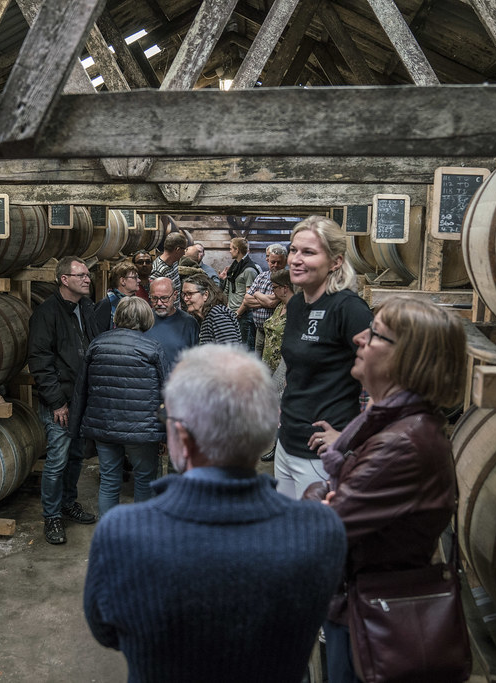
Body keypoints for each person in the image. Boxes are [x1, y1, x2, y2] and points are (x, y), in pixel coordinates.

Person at [83, 345, 347, 683]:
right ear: (270, 427)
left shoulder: (122, 531)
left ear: (182, 438)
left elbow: (107, 632)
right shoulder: (321, 530)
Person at [303, 296, 466, 683]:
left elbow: (324, 528)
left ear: (407, 359)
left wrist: (320, 495)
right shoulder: (390, 424)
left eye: (375, 334)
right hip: (361, 605)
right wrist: (324, 494)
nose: (359, 337)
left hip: (373, 618)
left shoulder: (401, 442)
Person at [276, 216, 373, 499]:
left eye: (308, 252)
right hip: (287, 442)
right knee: (287, 532)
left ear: (335, 262)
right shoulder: (296, 303)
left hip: (320, 455)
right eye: (293, 250)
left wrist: (353, 435)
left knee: (312, 539)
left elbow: (389, 377)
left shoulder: (349, 309)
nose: (295, 259)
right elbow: (298, 370)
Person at [70, 297, 169, 517]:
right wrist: (167, 434)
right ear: (146, 318)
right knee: (145, 479)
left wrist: (76, 428)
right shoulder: (152, 348)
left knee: (109, 479)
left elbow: (81, 388)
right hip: (142, 430)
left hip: (104, 427)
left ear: (118, 316)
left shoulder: (97, 344)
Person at [28, 255, 102, 545]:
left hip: (83, 398)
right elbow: (40, 362)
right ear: (64, 280)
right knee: (57, 460)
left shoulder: (86, 307)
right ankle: (52, 515)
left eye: (87, 274)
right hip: (60, 402)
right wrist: (57, 402)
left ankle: (68, 503)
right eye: (81, 274)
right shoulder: (46, 313)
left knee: (75, 457)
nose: (87, 278)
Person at [241, 243, 287, 357]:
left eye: (279, 262)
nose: (275, 265)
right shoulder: (261, 276)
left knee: (271, 360)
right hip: (260, 330)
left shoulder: (286, 279)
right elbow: (246, 299)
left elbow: (272, 303)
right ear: (268, 261)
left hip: (275, 331)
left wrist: (256, 294)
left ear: (285, 262)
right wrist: (264, 299)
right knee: (258, 359)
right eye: (272, 262)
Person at [144, 277, 198, 366]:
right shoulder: (143, 319)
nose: (159, 303)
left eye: (164, 298)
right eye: (154, 298)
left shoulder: (189, 323)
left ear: (175, 295)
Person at [220, 237, 260, 349]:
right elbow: (229, 290)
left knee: (244, 348)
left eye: (231, 249)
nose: (229, 251)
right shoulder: (234, 267)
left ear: (237, 250)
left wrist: (238, 313)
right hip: (233, 313)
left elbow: (249, 296)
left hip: (243, 316)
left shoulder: (249, 270)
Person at [181, 273, 241, 346]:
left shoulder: (218, 315)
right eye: (184, 294)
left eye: (189, 294)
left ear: (205, 295)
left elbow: (230, 350)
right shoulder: (207, 317)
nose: (185, 299)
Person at [261, 267, 293, 375]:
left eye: (274, 287)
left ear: (284, 288)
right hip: (269, 365)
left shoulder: (296, 310)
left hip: (283, 368)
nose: (272, 291)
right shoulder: (280, 306)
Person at [93, 261, 140, 331]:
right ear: (123, 281)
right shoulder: (106, 304)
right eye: (135, 277)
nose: (139, 280)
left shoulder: (137, 302)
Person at [151, 233, 187, 308]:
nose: (184, 253)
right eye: (184, 249)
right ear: (177, 249)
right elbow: (155, 299)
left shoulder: (174, 262)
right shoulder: (158, 271)